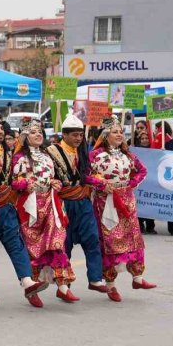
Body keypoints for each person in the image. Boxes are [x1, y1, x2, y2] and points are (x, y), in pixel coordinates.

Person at [0, 116, 47, 307]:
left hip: (6, 206)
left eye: (1, 129)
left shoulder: (10, 151)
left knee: (16, 244)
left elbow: (15, 177)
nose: (0, 132)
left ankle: (28, 282)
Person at [87, 117, 157, 302]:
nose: (119, 135)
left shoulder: (128, 155)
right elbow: (85, 175)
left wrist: (130, 183)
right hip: (106, 202)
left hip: (127, 201)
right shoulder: (96, 155)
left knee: (134, 238)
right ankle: (110, 286)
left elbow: (142, 171)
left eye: (121, 132)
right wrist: (101, 184)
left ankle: (137, 278)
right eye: (115, 132)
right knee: (110, 243)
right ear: (105, 135)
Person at [11, 118, 78, 306]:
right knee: (34, 250)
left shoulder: (47, 155)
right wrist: (26, 184)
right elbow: (14, 182)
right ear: (24, 137)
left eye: (40, 131)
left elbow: (53, 177)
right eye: (33, 132)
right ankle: (33, 291)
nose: (38, 134)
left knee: (57, 243)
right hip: (30, 207)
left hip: (50, 203)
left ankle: (63, 287)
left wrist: (55, 183)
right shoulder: (20, 158)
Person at [47, 114, 107, 296]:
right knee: (65, 245)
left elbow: (86, 174)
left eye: (80, 135)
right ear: (64, 135)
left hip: (82, 200)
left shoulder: (83, 151)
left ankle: (95, 278)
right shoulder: (51, 152)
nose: (78, 138)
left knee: (92, 239)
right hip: (62, 203)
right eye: (74, 135)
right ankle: (63, 285)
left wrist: (98, 180)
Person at [133, 129, 157, 235]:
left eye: (147, 138)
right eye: (142, 138)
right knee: (140, 204)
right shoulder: (136, 151)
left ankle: (150, 227)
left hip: (151, 181)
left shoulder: (155, 150)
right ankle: (140, 226)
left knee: (149, 204)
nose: (144, 140)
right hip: (140, 181)